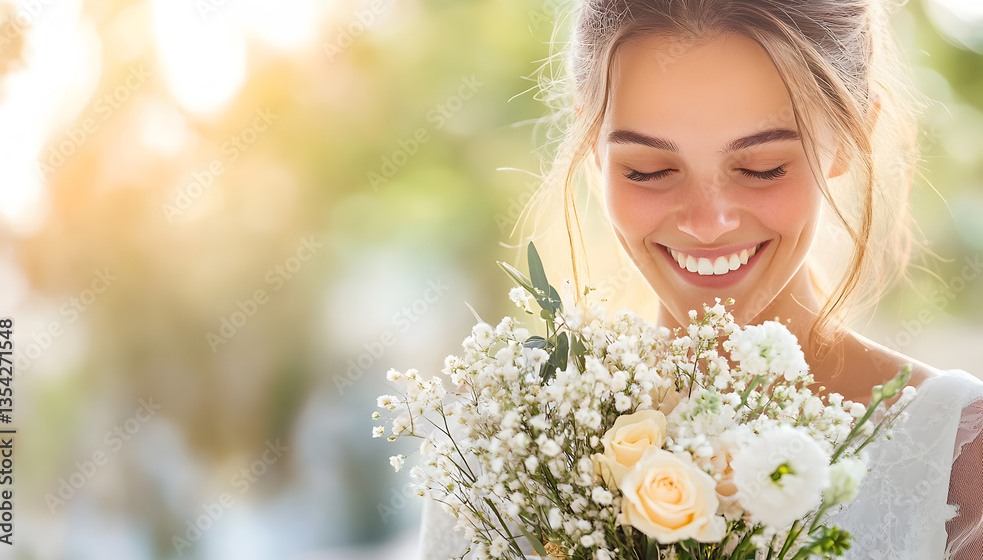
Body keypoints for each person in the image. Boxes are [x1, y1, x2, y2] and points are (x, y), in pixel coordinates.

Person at [420, 1, 983, 558]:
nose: (707, 222)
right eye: (649, 171)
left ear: (852, 131)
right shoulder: (501, 445)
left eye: (762, 168)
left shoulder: (955, 456)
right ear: (593, 144)